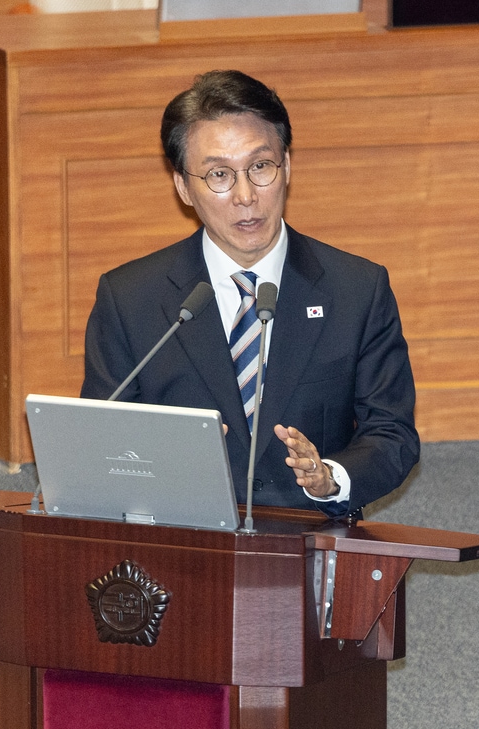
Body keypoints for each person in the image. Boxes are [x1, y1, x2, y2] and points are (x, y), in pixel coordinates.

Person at [80, 70, 418, 519]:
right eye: (219, 174)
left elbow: (392, 434)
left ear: (287, 166)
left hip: (311, 533)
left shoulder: (356, 289)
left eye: (260, 167)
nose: (245, 196)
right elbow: (102, 440)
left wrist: (331, 476)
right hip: (181, 535)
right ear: (183, 186)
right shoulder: (130, 298)